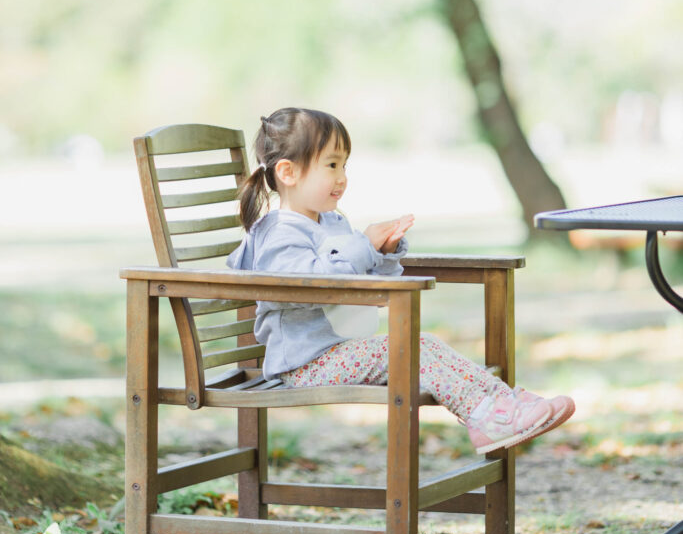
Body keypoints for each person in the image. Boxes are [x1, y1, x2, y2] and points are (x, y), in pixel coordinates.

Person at [227, 107, 574, 453]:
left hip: (337, 352)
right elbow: (303, 288)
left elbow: (372, 291)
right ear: (288, 172)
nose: (342, 177)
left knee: (425, 344)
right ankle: (486, 417)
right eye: (331, 165)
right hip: (306, 365)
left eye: (345, 165)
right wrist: (363, 246)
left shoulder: (331, 224)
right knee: (415, 348)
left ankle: (504, 406)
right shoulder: (279, 233)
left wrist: (385, 255)